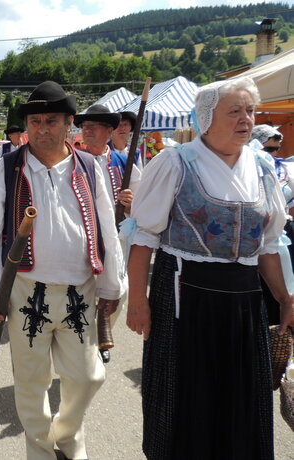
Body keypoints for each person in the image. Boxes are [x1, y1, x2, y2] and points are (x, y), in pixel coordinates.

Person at [125, 77, 294, 460]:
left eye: (250, 111)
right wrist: (138, 300)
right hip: (184, 296)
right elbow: (143, 237)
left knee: (239, 396)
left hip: (242, 300)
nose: (246, 120)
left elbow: (268, 245)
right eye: (234, 111)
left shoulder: (263, 167)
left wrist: (284, 297)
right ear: (206, 118)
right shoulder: (175, 163)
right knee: (183, 395)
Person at [0, 81, 124, 460]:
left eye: (51, 120)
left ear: (69, 123)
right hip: (25, 292)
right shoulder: (8, 167)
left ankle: (66, 436)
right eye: (35, 121)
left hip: (80, 291)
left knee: (88, 377)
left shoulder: (88, 165)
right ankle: (40, 450)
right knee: (32, 382)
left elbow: (106, 228)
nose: (42, 128)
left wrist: (112, 285)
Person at [74, 105, 141, 356]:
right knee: (84, 290)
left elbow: (143, 202)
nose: (87, 131)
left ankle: (101, 336)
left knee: (116, 292)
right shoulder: (73, 159)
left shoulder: (124, 162)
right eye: (84, 127)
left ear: (110, 131)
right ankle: (79, 342)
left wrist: (130, 201)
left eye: (93, 127)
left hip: (117, 237)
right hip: (83, 238)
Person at [251, 124, 294, 325]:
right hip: (255, 234)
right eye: (268, 149)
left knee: (284, 284)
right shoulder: (247, 169)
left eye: (276, 148)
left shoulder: (286, 169)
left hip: (283, 234)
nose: (274, 153)